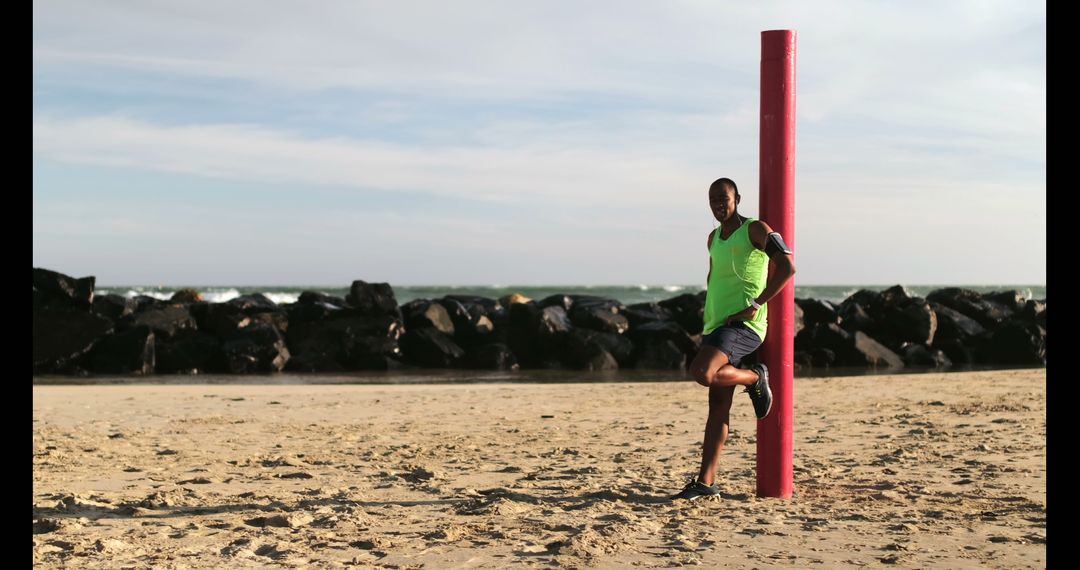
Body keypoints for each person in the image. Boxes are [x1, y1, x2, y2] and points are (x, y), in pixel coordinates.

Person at [673, 177, 796, 501]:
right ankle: (705, 482)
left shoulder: (754, 229)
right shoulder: (713, 238)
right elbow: (714, 278)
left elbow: (787, 267)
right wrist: (707, 318)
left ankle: (756, 377)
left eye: (723, 198)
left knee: (703, 372)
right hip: (717, 325)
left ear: (737, 198)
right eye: (712, 199)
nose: (718, 204)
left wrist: (755, 306)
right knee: (717, 410)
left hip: (743, 327)